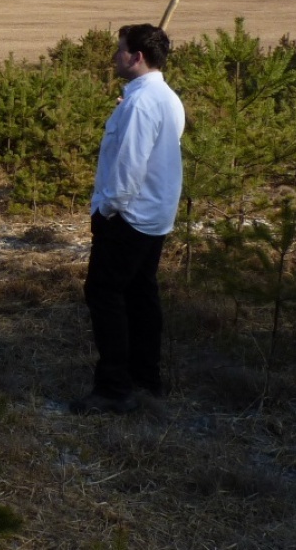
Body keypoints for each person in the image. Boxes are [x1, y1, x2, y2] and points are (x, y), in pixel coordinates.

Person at [72, 23, 186, 415]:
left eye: (120, 49)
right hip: (156, 214)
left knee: (104, 294)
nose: (114, 56)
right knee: (140, 295)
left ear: (137, 56)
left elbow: (129, 168)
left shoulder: (141, 103)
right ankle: (146, 379)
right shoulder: (165, 97)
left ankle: (113, 388)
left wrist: (107, 209)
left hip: (129, 215)